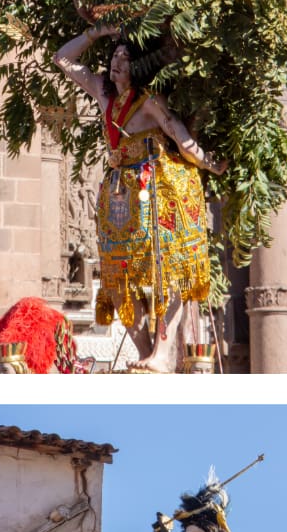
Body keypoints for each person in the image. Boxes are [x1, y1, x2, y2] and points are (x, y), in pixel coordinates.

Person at [53, 23, 220, 372]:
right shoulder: (103, 93)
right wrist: (96, 33)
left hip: (160, 187)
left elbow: (178, 134)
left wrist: (210, 164)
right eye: (114, 57)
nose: (117, 64)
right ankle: (145, 351)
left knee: (168, 270)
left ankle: (163, 351)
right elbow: (63, 59)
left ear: (138, 66)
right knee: (117, 276)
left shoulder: (149, 102)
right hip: (119, 195)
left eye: (125, 59)